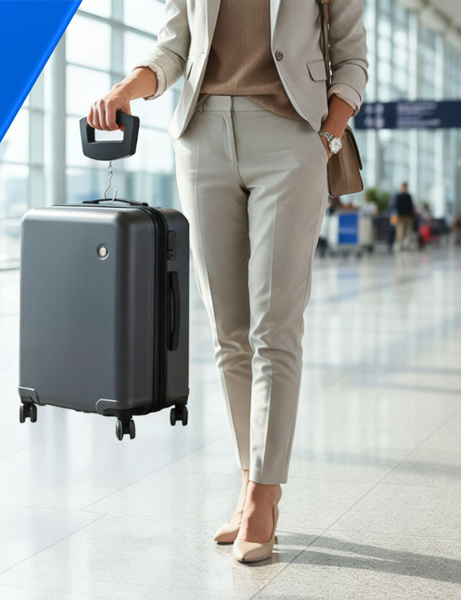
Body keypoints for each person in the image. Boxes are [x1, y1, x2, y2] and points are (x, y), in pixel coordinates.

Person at [88, 0, 367, 563]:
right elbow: (174, 48)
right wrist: (124, 90)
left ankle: (265, 496)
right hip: (202, 138)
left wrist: (327, 138)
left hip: (292, 135)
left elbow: (351, 57)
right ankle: (248, 482)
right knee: (229, 333)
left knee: (274, 328)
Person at [390, 183, 416, 250]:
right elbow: (395, 207)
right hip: (400, 216)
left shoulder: (408, 196)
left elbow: (411, 206)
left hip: (408, 216)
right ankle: (400, 244)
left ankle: (407, 244)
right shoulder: (398, 196)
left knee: (408, 231)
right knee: (400, 230)